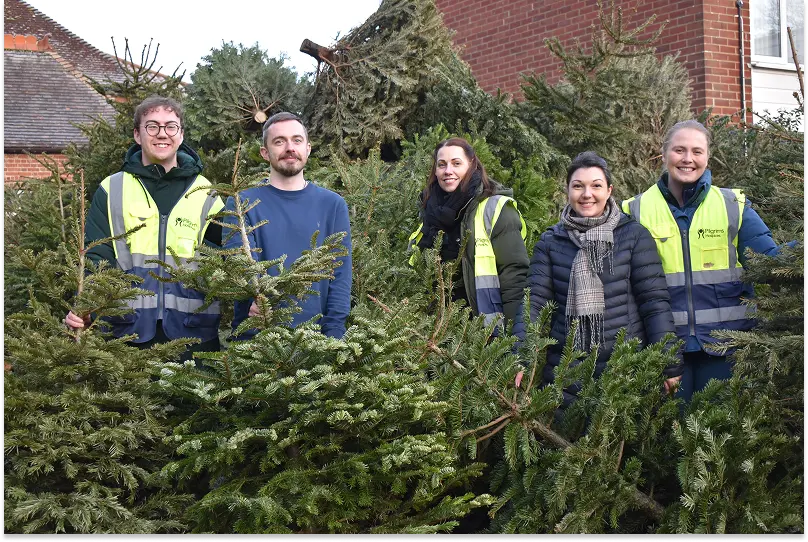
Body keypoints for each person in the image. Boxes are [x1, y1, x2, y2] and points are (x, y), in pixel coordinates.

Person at [622, 119, 781, 400]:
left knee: (720, 435)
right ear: (664, 154)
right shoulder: (635, 210)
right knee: (672, 438)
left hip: (726, 349)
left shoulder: (733, 206)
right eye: (679, 150)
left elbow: (769, 261)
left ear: (708, 157)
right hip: (664, 351)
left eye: (697, 151)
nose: (687, 159)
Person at [64, 95, 224, 360]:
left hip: (195, 337)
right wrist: (86, 307)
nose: (162, 134)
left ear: (181, 135)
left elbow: (227, 260)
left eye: (170, 126)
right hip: (126, 334)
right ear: (138, 135)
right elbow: (95, 259)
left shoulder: (206, 192)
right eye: (152, 126)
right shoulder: (112, 189)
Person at [528, 151, 681, 407]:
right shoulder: (551, 241)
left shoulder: (633, 236)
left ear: (609, 190)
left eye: (596, 186)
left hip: (626, 369)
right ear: (567, 191)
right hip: (568, 372)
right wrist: (521, 358)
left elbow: (654, 303)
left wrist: (669, 364)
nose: (587, 194)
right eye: (578, 186)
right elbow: (533, 304)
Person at [224, 112, 352, 339]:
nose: (289, 147)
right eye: (279, 141)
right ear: (265, 153)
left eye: (297, 140)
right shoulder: (241, 202)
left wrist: (334, 336)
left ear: (308, 149)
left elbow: (340, 275)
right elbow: (239, 267)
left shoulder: (333, 205)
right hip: (256, 339)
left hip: (317, 341)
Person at [407, 137, 529, 330]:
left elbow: (514, 275)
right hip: (433, 330)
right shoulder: (428, 210)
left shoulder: (495, 208)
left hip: (484, 333)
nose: (448, 171)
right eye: (442, 164)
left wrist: (515, 336)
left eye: (456, 163)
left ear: (472, 165)